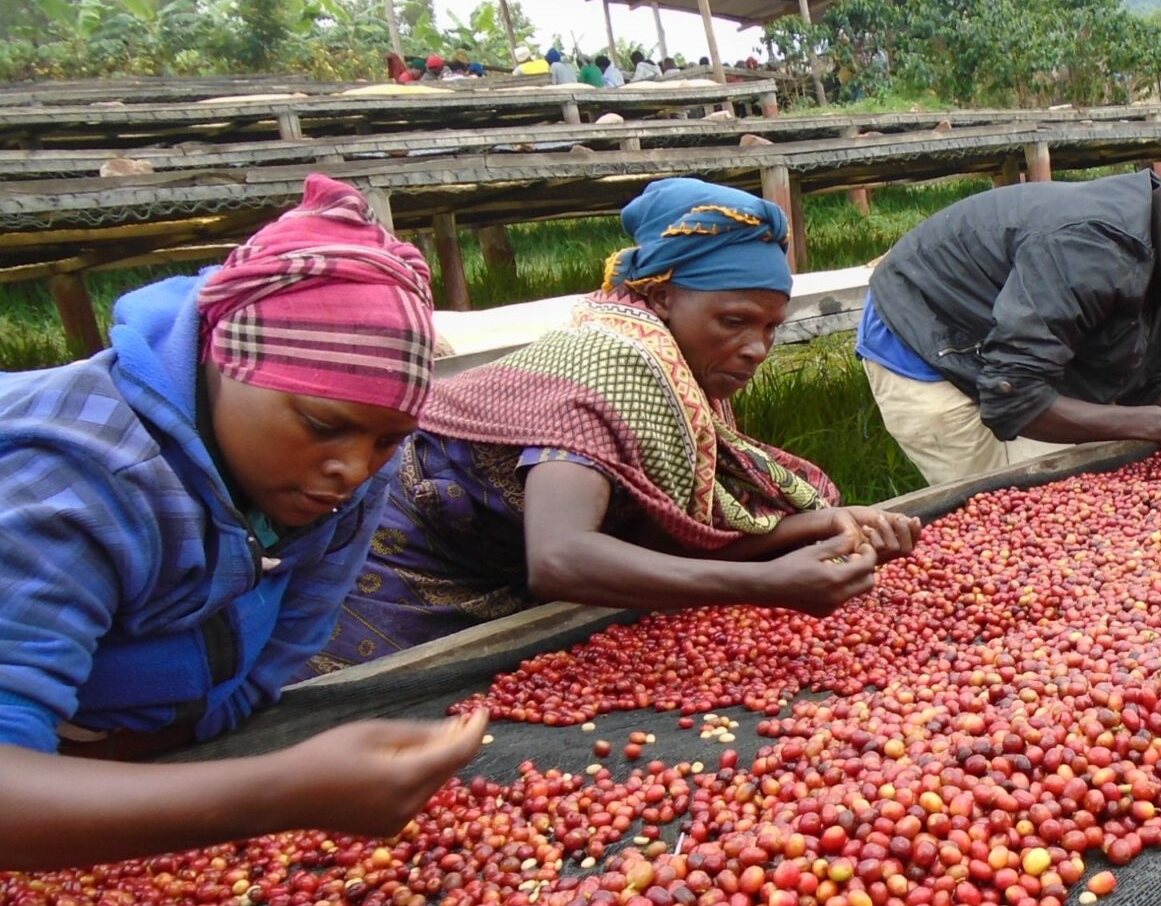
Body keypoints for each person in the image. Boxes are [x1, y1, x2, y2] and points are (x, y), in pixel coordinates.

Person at [0, 175, 484, 871]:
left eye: (387, 440)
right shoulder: (75, 479)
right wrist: (273, 792)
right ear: (222, 364)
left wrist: (188, 767)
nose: (353, 469)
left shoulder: (345, 473)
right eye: (321, 424)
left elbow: (282, 650)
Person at [321, 180, 916, 668]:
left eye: (770, 327)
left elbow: (669, 530)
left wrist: (819, 525)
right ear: (660, 297)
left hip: (495, 567)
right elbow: (560, 559)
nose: (757, 348)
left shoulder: (683, 376)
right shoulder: (611, 368)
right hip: (398, 568)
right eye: (733, 321)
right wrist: (767, 584)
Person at [855, 160, 1161, 488]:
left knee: (1053, 485)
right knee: (998, 503)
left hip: (1008, 342)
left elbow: (1150, 392)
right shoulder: (1091, 248)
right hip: (925, 334)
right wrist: (1154, 425)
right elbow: (1013, 402)